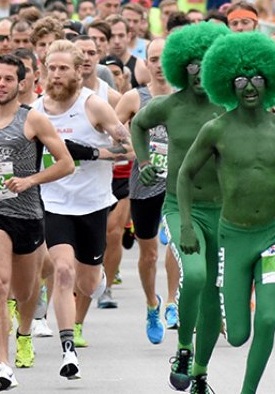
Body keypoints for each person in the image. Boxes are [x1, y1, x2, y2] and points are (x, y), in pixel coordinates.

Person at [177, 31, 275, 394]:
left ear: (270, 81)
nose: (249, 87)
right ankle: (199, 363)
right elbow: (185, 175)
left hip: (274, 235)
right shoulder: (215, 129)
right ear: (227, 84)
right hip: (233, 238)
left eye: (257, 79)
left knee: (267, 319)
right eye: (239, 80)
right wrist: (186, 224)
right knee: (236, 334)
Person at [0, 53, 73, 391]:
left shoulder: (33, 119)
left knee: (24, 292)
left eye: (8, 79)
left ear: (21, 83)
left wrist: (30, 181)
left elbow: (66, 163)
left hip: (26, 214)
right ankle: (3, 364)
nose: (1, 84)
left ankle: (24, 332)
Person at [133, 22, 228, 391]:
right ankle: (184, 349)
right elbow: (138, 125)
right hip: (180, 206)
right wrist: (144, 162)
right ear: (180, 68)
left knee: (214, 293)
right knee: (197, 275)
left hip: (223, 209)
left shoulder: (229, 107)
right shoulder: (167, 106)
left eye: (207, 64)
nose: (199, 72)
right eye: (192, 65)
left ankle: (201, 373)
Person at [31, 40, 133, 379]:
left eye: (63, 68)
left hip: (92, 203)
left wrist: (89, 153)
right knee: (62, 271)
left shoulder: (94, 106)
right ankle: (68, 350)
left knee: (88, 284)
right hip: (54, 202)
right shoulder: (36, 110)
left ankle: (98, 275)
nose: (56, 75)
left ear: (78, 71)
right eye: (51, 68)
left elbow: (129, 149)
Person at [115, 36, 171, 340]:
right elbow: (113, 136)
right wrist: (135, 151)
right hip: (144, 183)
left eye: (165, 58)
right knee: (148, 254)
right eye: (154, 60)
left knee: (178, 244)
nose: (160, 65)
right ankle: (152, 304)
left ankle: (173, 302)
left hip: (178, 183)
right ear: (146, 63)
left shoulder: (187, 97)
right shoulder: (134, 98)